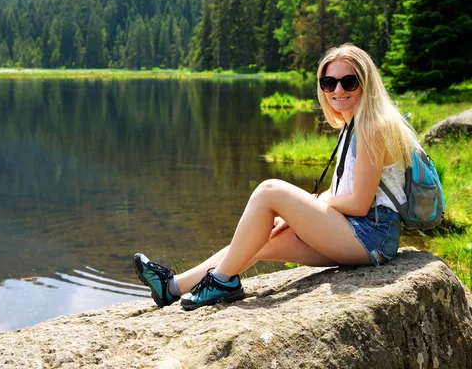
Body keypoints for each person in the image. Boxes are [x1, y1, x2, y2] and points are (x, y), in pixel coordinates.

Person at [133, 43, 417, 311]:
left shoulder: (372, 127)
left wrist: (298, 207)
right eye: (329, 82)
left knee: (269, 189)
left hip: (371, 236)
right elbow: (339, 191)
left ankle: (222, 281)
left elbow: (357, 204)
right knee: (258, 240)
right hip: (354, 231)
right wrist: (300, 211)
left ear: (365, 83)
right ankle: (171, 286)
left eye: (348, 81)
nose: (337, 90)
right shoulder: (353, 122)